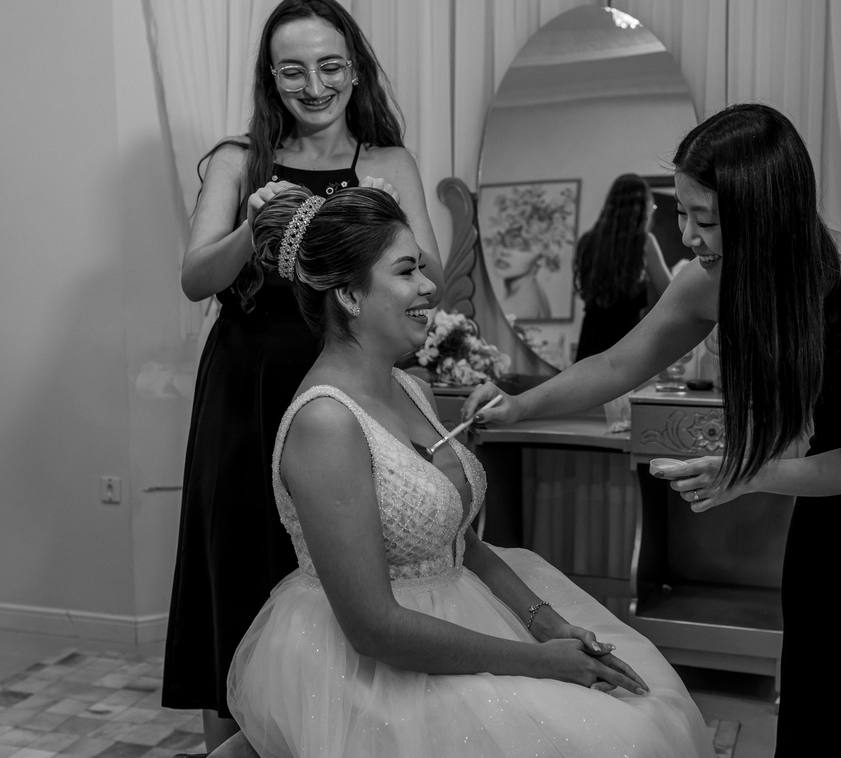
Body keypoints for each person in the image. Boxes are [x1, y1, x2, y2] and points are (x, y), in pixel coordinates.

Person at [464, 103, 841, 758]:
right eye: (682, 213)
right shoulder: (712, 281)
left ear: (766, 214)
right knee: (815, 655)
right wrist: (520, 406)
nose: (687, 236)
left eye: (706, 220)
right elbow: (615, 364)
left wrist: (744, 473)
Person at [222, 185, 714, 758]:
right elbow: (374, 628)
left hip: (465, 619)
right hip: (379, 672)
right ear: (350, 294)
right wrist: (540, 663)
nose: (428, 286)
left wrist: (544, 622)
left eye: (422, 268)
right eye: (407, 271)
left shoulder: (411, 387)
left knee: (642, 712)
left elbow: (463, 543)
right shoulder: (325, 424)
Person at [163, 0, 445, 751]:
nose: (314, 85)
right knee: (239, 564)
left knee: (343, 574)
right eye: (293, 71)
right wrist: (251, 227)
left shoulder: (387, 161)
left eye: (329, 66)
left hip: (350, 388)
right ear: (270, 77)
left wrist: (384, 217)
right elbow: (194, 278)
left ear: (355, 69)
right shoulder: (238, 162)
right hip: (249, 388)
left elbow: (430, 279)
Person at [573, 174, 672, 360]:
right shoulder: (643, 243)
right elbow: (670, 293)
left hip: (590, 341)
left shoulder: (587, 241)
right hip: (625, 343)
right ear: (642, 209)